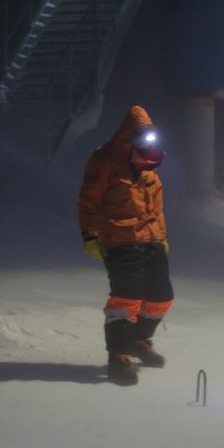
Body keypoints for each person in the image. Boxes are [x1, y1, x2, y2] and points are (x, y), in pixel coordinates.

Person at [78, 105, 173, 386]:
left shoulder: (149, 165)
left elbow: (157, 208)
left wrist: (162, 237)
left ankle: (138, 340)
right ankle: (118, 357)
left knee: (161, 297)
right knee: (127, 300)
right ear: (129, 141)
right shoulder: (104, 161)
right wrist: (90, 236)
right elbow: (88, 203)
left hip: (151, 239)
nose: (148, 154)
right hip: (120, 240)